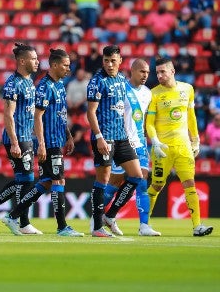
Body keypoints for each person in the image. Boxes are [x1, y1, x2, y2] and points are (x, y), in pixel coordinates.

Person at [0, 49, 84, 236]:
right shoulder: (44, 87)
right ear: (54, 65)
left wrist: (68, 136)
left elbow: (61, 116)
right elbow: (38, 116)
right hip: (49, 141)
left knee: (45, 182)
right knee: (58, 180)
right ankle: (62, 227)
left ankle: (13, 216)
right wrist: (42, 144)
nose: (68, 68)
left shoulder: (60, 85)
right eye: (65, 65)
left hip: (58, 139)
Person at [0, 44, 42, 235]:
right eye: (33, 58)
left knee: (22, 179)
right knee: (27, 178)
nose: (37, 62)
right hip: (17, 137)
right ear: (22, 61)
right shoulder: (13, 83)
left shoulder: (30, 81)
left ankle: (19, 221)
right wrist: (13, 141)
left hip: (27, 137)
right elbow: (8, 114)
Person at [146, 58, 213, 237]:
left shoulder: (187, 89)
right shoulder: (153, 94)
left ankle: (197, 226)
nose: (159, 75)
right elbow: (149, 123)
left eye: (162, 72)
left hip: (183, 147)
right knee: (157, 185)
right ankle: (144, 224)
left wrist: (196, 140)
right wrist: (155, 141)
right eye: (157, 72)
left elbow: (191, 116)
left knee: (190, 184)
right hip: (163, 149)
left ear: (172, 71)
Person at [86, 45, 144, 237]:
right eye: (106, 60)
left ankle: (110, 215)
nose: (109, 64)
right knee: (102, 180)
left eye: (113, 61)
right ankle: (96, 227)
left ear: (120, 61)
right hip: (105, 137)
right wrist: (99, 137)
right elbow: (91, 112)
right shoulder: (97, 81)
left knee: (136, 176)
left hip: (121, 137)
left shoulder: (121, 80)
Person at [102, 59, 161, 236]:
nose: (145, 75)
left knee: (142, 182)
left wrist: (149, 140)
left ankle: (144, 226)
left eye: (147, 72)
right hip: (121, 142)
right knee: (115, 182)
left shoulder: (148, 93)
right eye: (142, 71)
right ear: (132, 71)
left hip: (140, 143)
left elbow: (142, 120)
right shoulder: (122, 89)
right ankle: (98, 217)